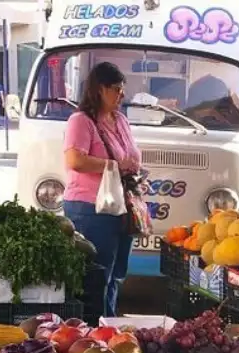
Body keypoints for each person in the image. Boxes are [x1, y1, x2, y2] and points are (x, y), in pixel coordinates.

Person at [62, 62, 142, 317]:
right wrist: (113, 165)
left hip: (121, 206)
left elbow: (131, 157)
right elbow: (75, 160)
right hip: (91, 208)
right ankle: (93, 331)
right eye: (116, 90)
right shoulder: (81, 121)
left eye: (122, 90)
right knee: (97, 276)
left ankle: (110, 328)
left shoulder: (120, 120)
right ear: (99, 90)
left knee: (117, 274)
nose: (121, 95)